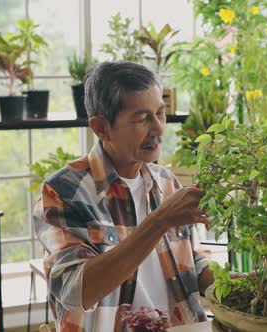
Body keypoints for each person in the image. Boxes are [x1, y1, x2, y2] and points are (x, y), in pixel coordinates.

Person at [33, 61, 213, 331]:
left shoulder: (166, 182)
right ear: (101, 128)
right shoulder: (63, 191)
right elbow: (76, 291)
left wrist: (232, 282)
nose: (159, 128)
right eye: (142, 119)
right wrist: (160, 221)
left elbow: (191, 260)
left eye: (160, 114)